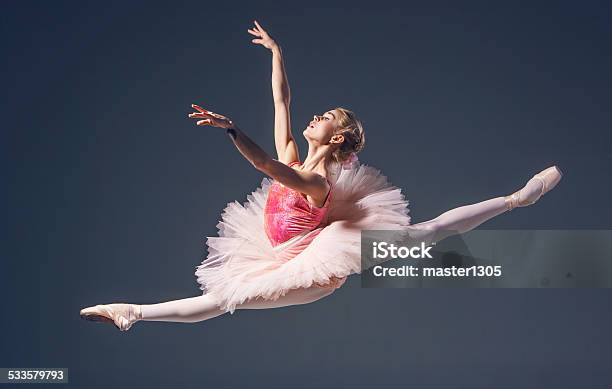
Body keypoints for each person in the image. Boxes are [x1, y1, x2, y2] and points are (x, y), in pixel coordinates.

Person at [80, 20, 562, 331]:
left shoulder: (315, 185)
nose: (317, 116)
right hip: (274, 254)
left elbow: (264, 166)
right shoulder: (294, 156)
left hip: (311, 270)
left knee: (428, 232)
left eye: (327, 116)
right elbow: (282, 101)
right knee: (219, 300)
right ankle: (134, 313)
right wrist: (276, 54)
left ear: (335, 139)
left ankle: (518, 199)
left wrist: (231, 130)